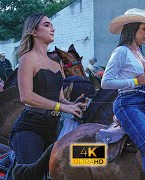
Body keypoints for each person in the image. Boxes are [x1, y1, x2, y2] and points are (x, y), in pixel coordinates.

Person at [9, 13, 86, 165]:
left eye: (52, 25)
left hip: (53, 127)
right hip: (30, 128)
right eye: (46, 25)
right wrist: (61, 107)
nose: (52, 29)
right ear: (33, 31)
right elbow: (26, 96)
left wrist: (72, 105)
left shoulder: (56, 65)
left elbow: (60, 98)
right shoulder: (27, 58)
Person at [102, 8, 145, 180]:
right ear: (132, 28)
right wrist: (135, 82)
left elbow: (144, 78)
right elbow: (105, 82)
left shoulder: (139, 52)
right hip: (128, 104)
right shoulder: (121, 51)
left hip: (144, 102)